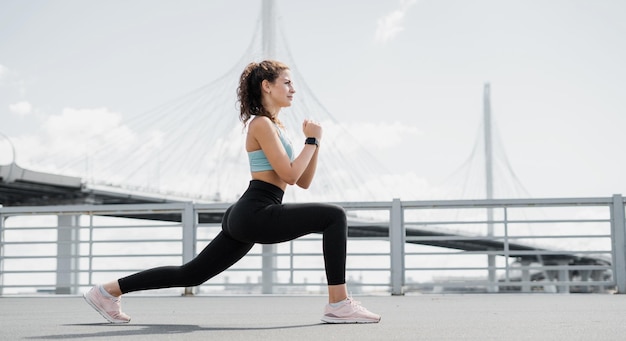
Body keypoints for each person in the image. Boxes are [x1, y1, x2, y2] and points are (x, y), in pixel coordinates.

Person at [83, 60, 381, 324]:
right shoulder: (261, 124)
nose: (293, 89)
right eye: (287, 82)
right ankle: (339, 304)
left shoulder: (275, 126)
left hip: (251, 212)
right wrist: (311, 142)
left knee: (191, 274)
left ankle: (106, 292)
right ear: (267, 86)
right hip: (257, 210)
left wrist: (314, 143)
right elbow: (290, 175)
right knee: (334, 216)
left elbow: (302, 181)